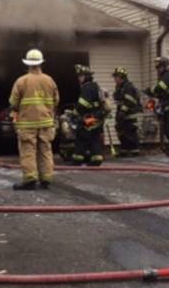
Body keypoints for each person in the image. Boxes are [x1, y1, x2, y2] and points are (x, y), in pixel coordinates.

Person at [8, 49, 60, 190]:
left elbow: (13, 102)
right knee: (45, 150)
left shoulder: (21, 81)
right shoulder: (50, 81)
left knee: (28, 151)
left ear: (28, 64)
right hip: (46, 123)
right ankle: (46, 179)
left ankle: (30, 180)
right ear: (40, 64)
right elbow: (56, 101)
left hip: (27, 124)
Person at [72, 64, 107, 166]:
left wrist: (74, 113)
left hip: (90, 118)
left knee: (81, 135)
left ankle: (77, 159)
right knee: (94, 138)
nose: (79, 78)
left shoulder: (86, 87)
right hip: (98, 118)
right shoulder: (96, 86)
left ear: (86, 76)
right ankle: (96, 158)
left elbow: (83, 104)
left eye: (81, 76)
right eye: (78, 76)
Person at [112, 67, 141, 157]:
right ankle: (124, 150)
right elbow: (118, 98)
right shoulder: (120, 87)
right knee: (121, 133)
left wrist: (123, 111)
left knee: (130, 133)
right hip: (121, 113)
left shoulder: (128, 87)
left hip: (129, 115)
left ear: (121, 77)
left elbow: (129, 101)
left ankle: (134, 151)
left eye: (116, 77)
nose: (114, 79)